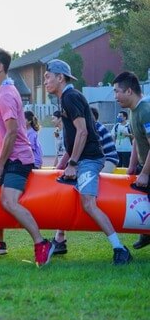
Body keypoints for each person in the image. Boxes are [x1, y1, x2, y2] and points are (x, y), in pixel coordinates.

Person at [45, 59, 131, 265]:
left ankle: (120, 248)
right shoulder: (65, 97)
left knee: (89, 203)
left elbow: (83, 131)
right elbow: (74, 135)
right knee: (67, 195)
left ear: (60, 77)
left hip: (89, 159)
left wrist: (73, 163)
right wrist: (66, 163)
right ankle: (60, 240)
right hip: (83, 158)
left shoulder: (70, 97)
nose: (45, 81)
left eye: (48, 77)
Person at [0, 48, 54, 266]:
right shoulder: (1, 92)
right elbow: (1, 137)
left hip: (18, 159)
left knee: (8, 200)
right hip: (9, 156)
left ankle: (42, 243)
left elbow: (11, 133)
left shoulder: (7, 94)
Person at [52, 106, 119, 255]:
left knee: (84, 191)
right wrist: (61, 166)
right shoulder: (83, 126)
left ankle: (60, 237)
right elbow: (72, 150)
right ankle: (59, 236)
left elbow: (83, 150)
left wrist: (65, 165)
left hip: (107, 160)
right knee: (72, 190)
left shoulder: (92, 127)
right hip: (92, 161)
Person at [113, 71, 150, 250]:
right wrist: (132, 166)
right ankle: (146, 233)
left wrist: (144, 173)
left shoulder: (145, 110)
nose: (115, 96)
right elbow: (136, 139)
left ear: (129, 91)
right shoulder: (134, 110)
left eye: (117, 91)